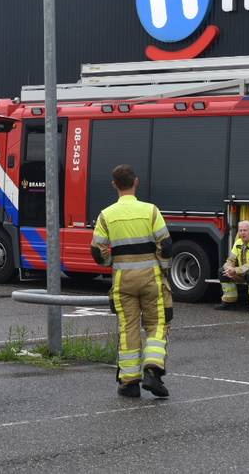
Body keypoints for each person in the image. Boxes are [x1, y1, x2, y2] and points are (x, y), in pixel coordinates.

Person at [90, 164, 173, 399]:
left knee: (128, 328)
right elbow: (165, 245)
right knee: (157, 324)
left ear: (114, 184)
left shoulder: (106, 215)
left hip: (123, 281)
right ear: (135, 182)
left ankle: (129, 383)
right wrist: (162, 269)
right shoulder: (151, 211)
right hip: (151, 279)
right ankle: (153, 371)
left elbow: (97, 250)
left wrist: (110, 261)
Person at [215, 220, 249, 314]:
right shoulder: (238, 242)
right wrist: (229, 268)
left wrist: (235, 270)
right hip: (242, 271)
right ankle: (228, 301)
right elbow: (231, 260)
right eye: (240, 230)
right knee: (222, 271)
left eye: (245, 230)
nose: (242, 233)